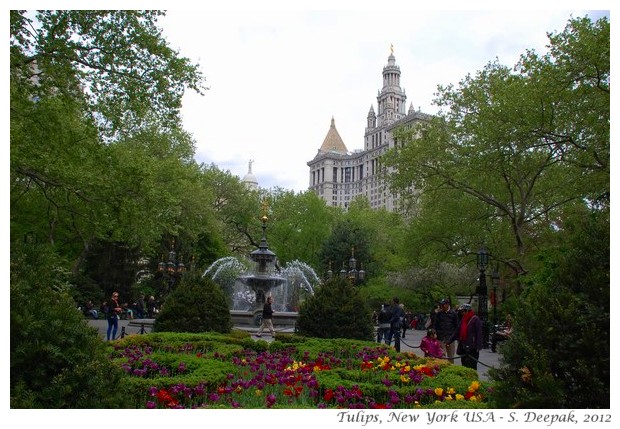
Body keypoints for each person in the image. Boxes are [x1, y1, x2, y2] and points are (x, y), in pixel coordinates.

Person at [452, 303, 483, 370]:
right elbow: (457, 331)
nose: (462, 313)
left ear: (467, 311)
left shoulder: (476, 319)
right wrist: (449, 341)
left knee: (472, 366)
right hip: (463, 346)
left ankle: (473, 380)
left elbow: (479, 333)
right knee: (464, 365)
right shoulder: (463, 319)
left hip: (472, 347)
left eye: (463, 311)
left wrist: (478, 346)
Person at [434, 298, 459, 363]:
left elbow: (457, 326)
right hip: (441, 337)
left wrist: (454, 336)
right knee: (441, 356)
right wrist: (436, 334)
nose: (441, 306)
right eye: (441, 304)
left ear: (447, 304)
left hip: (450, 338)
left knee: (451, 356)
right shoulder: (439, 314)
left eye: (443, 304)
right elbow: (436, 325)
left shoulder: (453, 313)